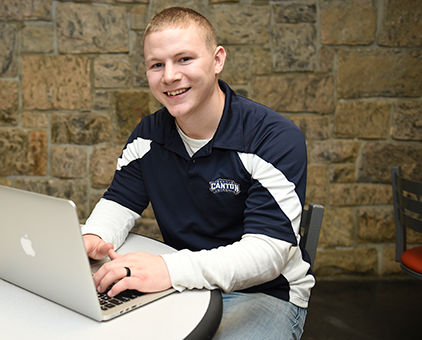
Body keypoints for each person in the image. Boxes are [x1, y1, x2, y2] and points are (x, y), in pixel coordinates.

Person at [81, 7, 313, 339]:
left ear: (217, 60)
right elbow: (120, 201)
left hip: (264, 293)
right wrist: (94, 237)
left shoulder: (273, 138)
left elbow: (269, 252)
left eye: (184, 59)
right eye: (157, 64)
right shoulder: (148, 135)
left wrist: (168, 270)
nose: (170, 76)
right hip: (183, 285)